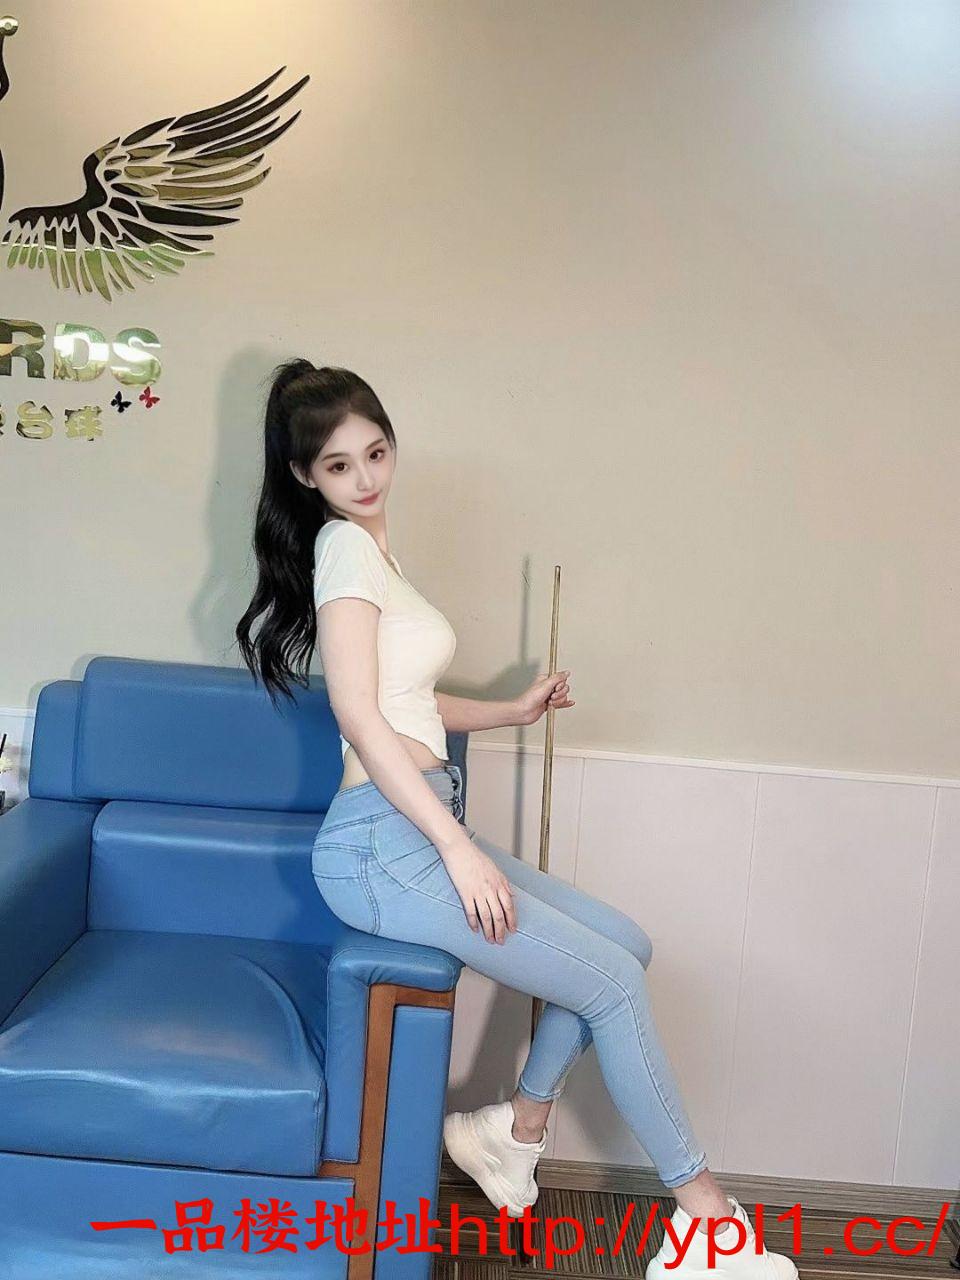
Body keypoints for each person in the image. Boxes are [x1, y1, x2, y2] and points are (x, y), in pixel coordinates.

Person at [236, 359, 798, 1280]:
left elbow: (408, 702)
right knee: (613, 986)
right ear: (306, 476)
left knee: (625, 946)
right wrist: (458, 848)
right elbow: (359, 716)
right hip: (382, 847)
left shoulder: (376, 555)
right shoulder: (342, 550)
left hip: (407, 829)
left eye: (376, 452)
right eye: (339, 465)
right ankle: (704, 1222)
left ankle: (512, 1131)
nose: (366, 478)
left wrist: (511, 710)